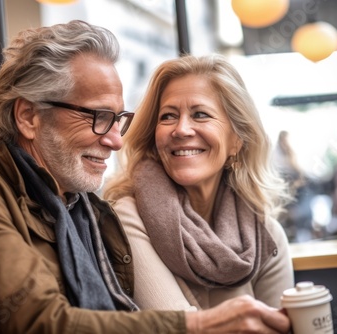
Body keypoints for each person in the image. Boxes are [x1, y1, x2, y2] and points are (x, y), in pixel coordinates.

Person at [0, 21, 290, 334]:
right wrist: (199, 325)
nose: (115, 140)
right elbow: (39, 324)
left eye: (118, 119)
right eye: (98, 117)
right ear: (28, 117)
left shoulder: (86, 210)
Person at [104, 54, 294, 312]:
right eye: (168, 116)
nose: (181, 129)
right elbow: (177, 328)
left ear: (236, 140)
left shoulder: (265, 235)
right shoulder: (127, 217)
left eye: (200, 114)